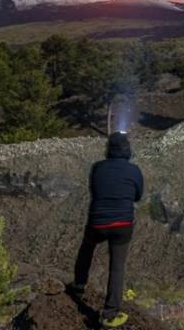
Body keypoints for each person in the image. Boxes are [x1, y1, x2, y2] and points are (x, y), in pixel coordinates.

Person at [68, 131, 144, 328]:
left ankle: (78, 285)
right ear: (128, 149)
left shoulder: (97, 168)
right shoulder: (134, 170)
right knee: (117, 267)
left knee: (87, 247)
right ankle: (110, 314)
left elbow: (94, 191)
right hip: (122, 225)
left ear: (108, 149)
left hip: (98, 222)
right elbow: (138, 196)